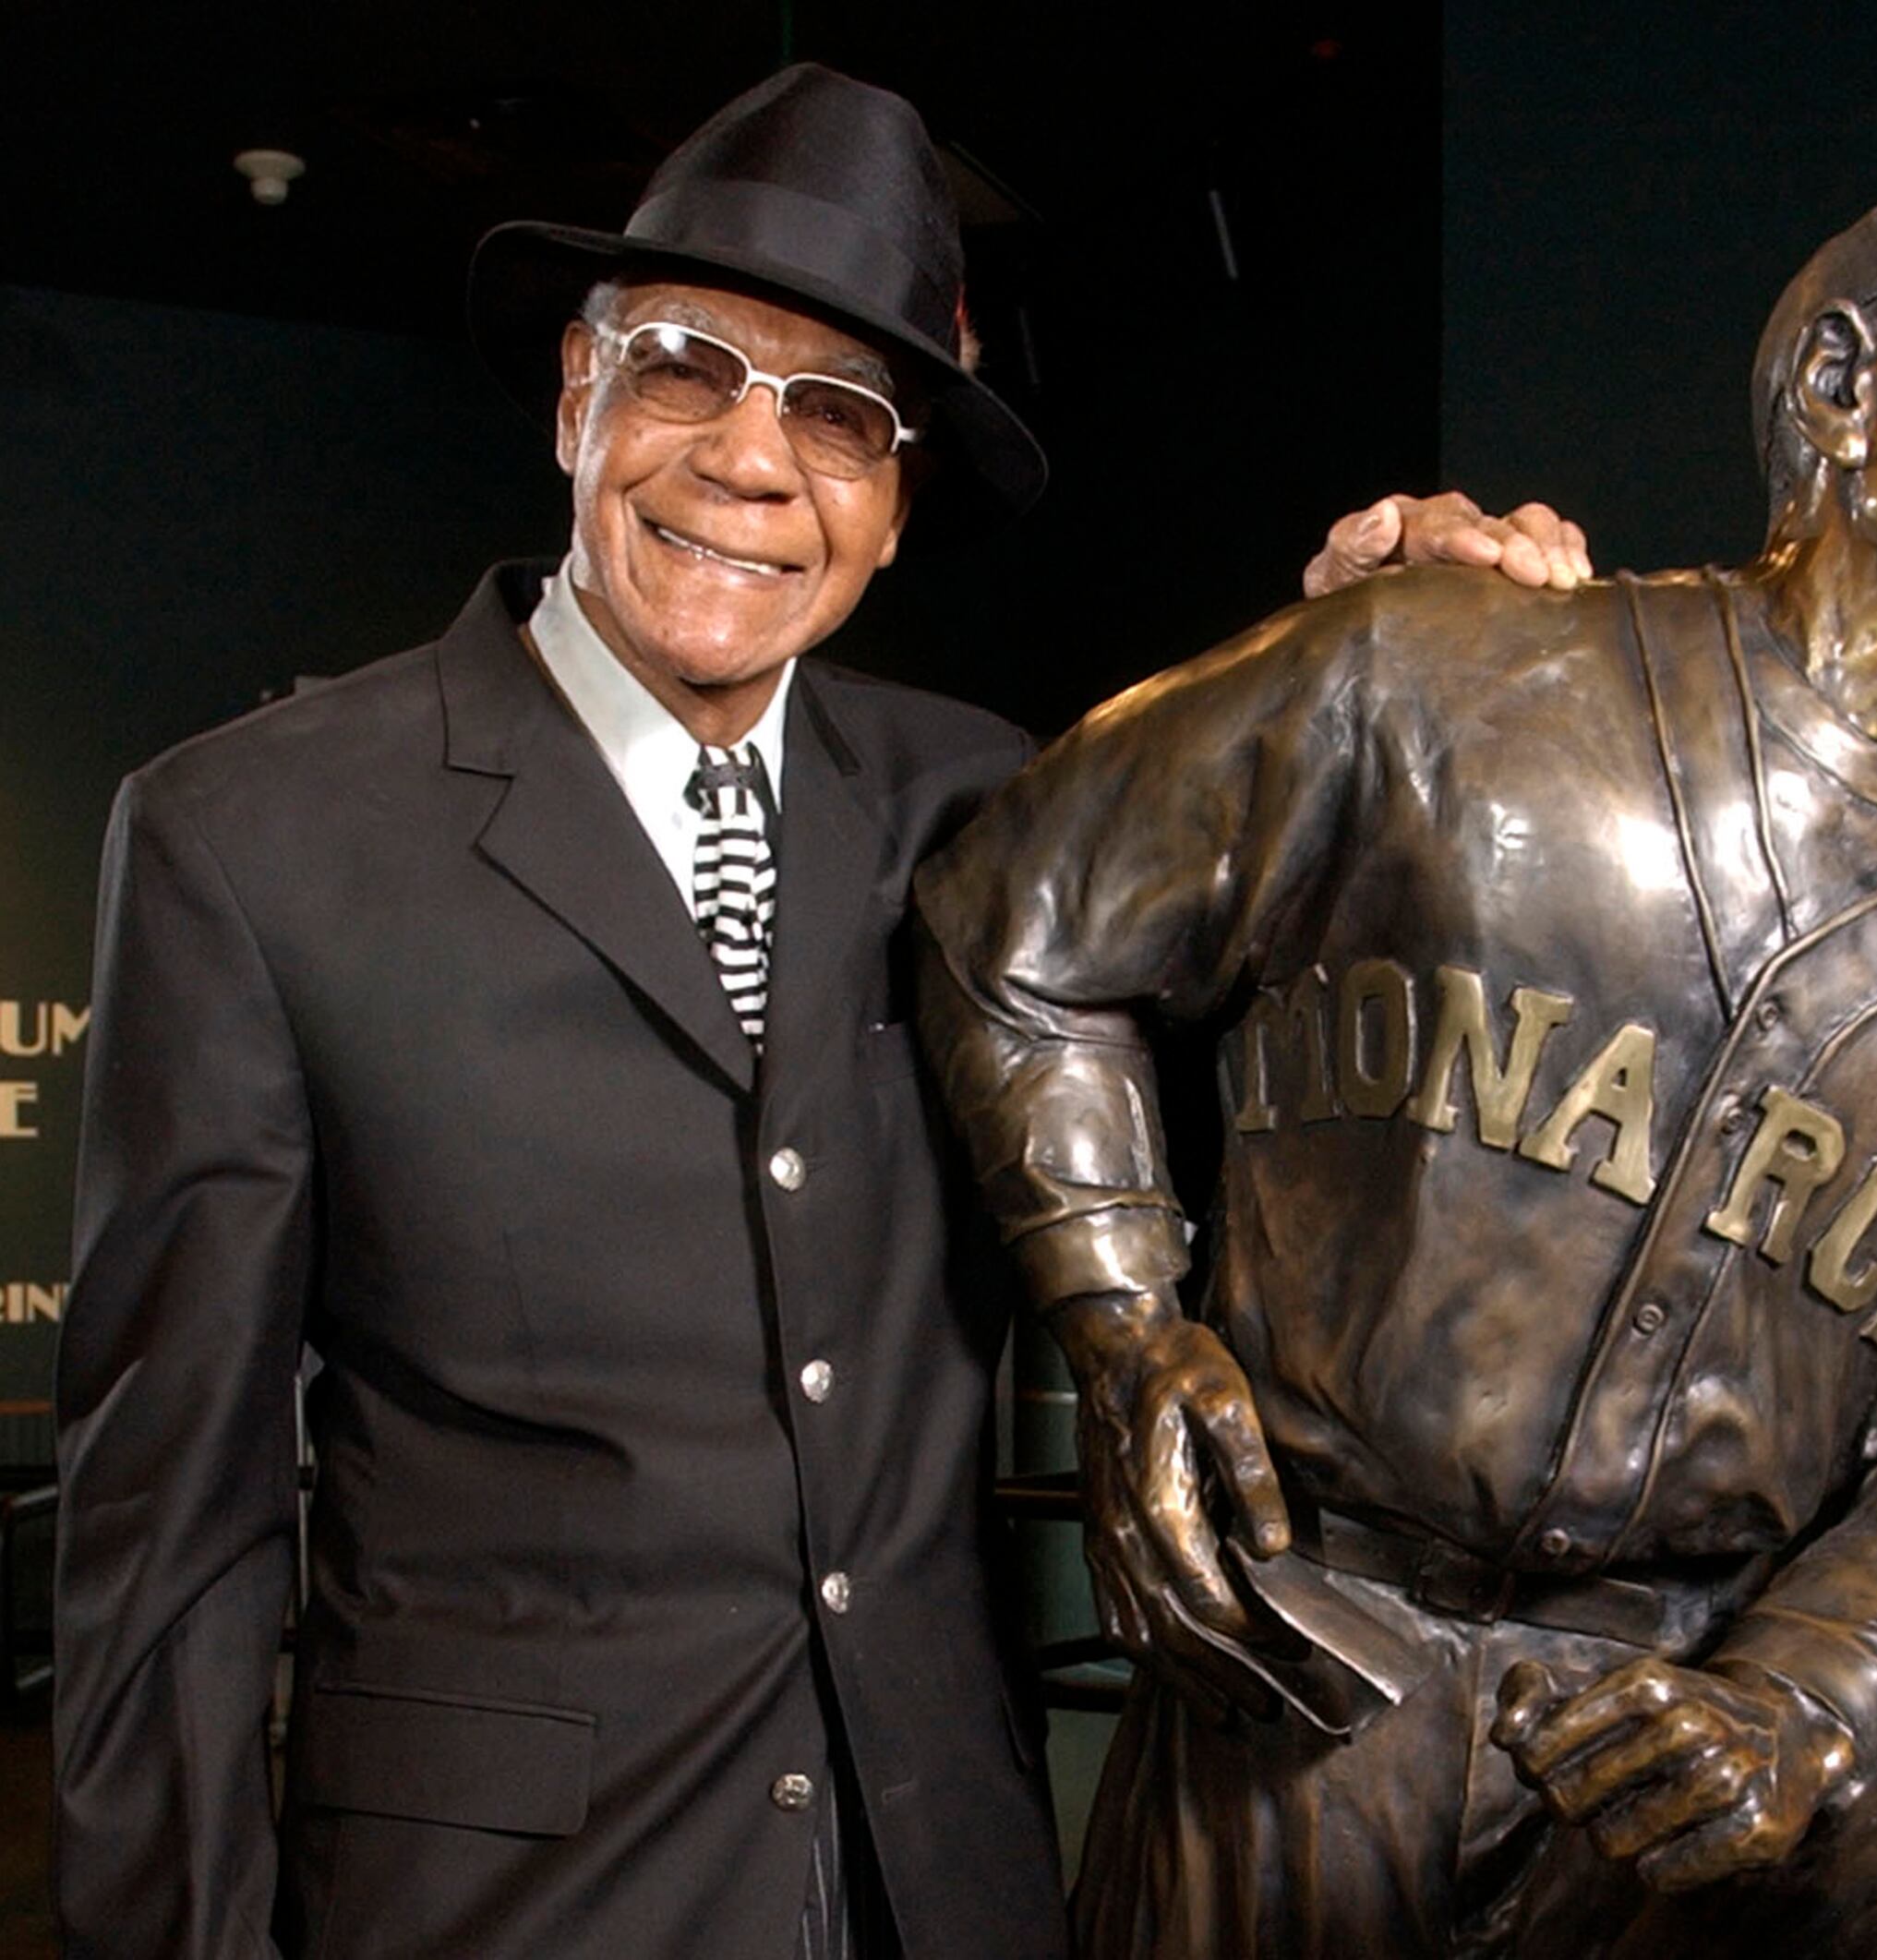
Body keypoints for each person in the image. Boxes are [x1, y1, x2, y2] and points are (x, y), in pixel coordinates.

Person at [50, 62, 1583, 1960]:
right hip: (497, 1911)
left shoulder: (983, 802)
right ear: (573, 397)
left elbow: (1298, 1029)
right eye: (686, 367)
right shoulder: (248, 837)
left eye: (839, 415)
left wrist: (1372, 662)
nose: (752, 463)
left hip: (939, 1889)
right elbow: (169, 1546)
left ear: (889, 503)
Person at [915, 146, 1877, 1957]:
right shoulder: (1441, 668)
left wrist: (1802, 1693)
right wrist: (1119, 1321)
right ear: (1836, 382)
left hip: (1679, 1725)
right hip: (1310, 1668)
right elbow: (1016, 927)